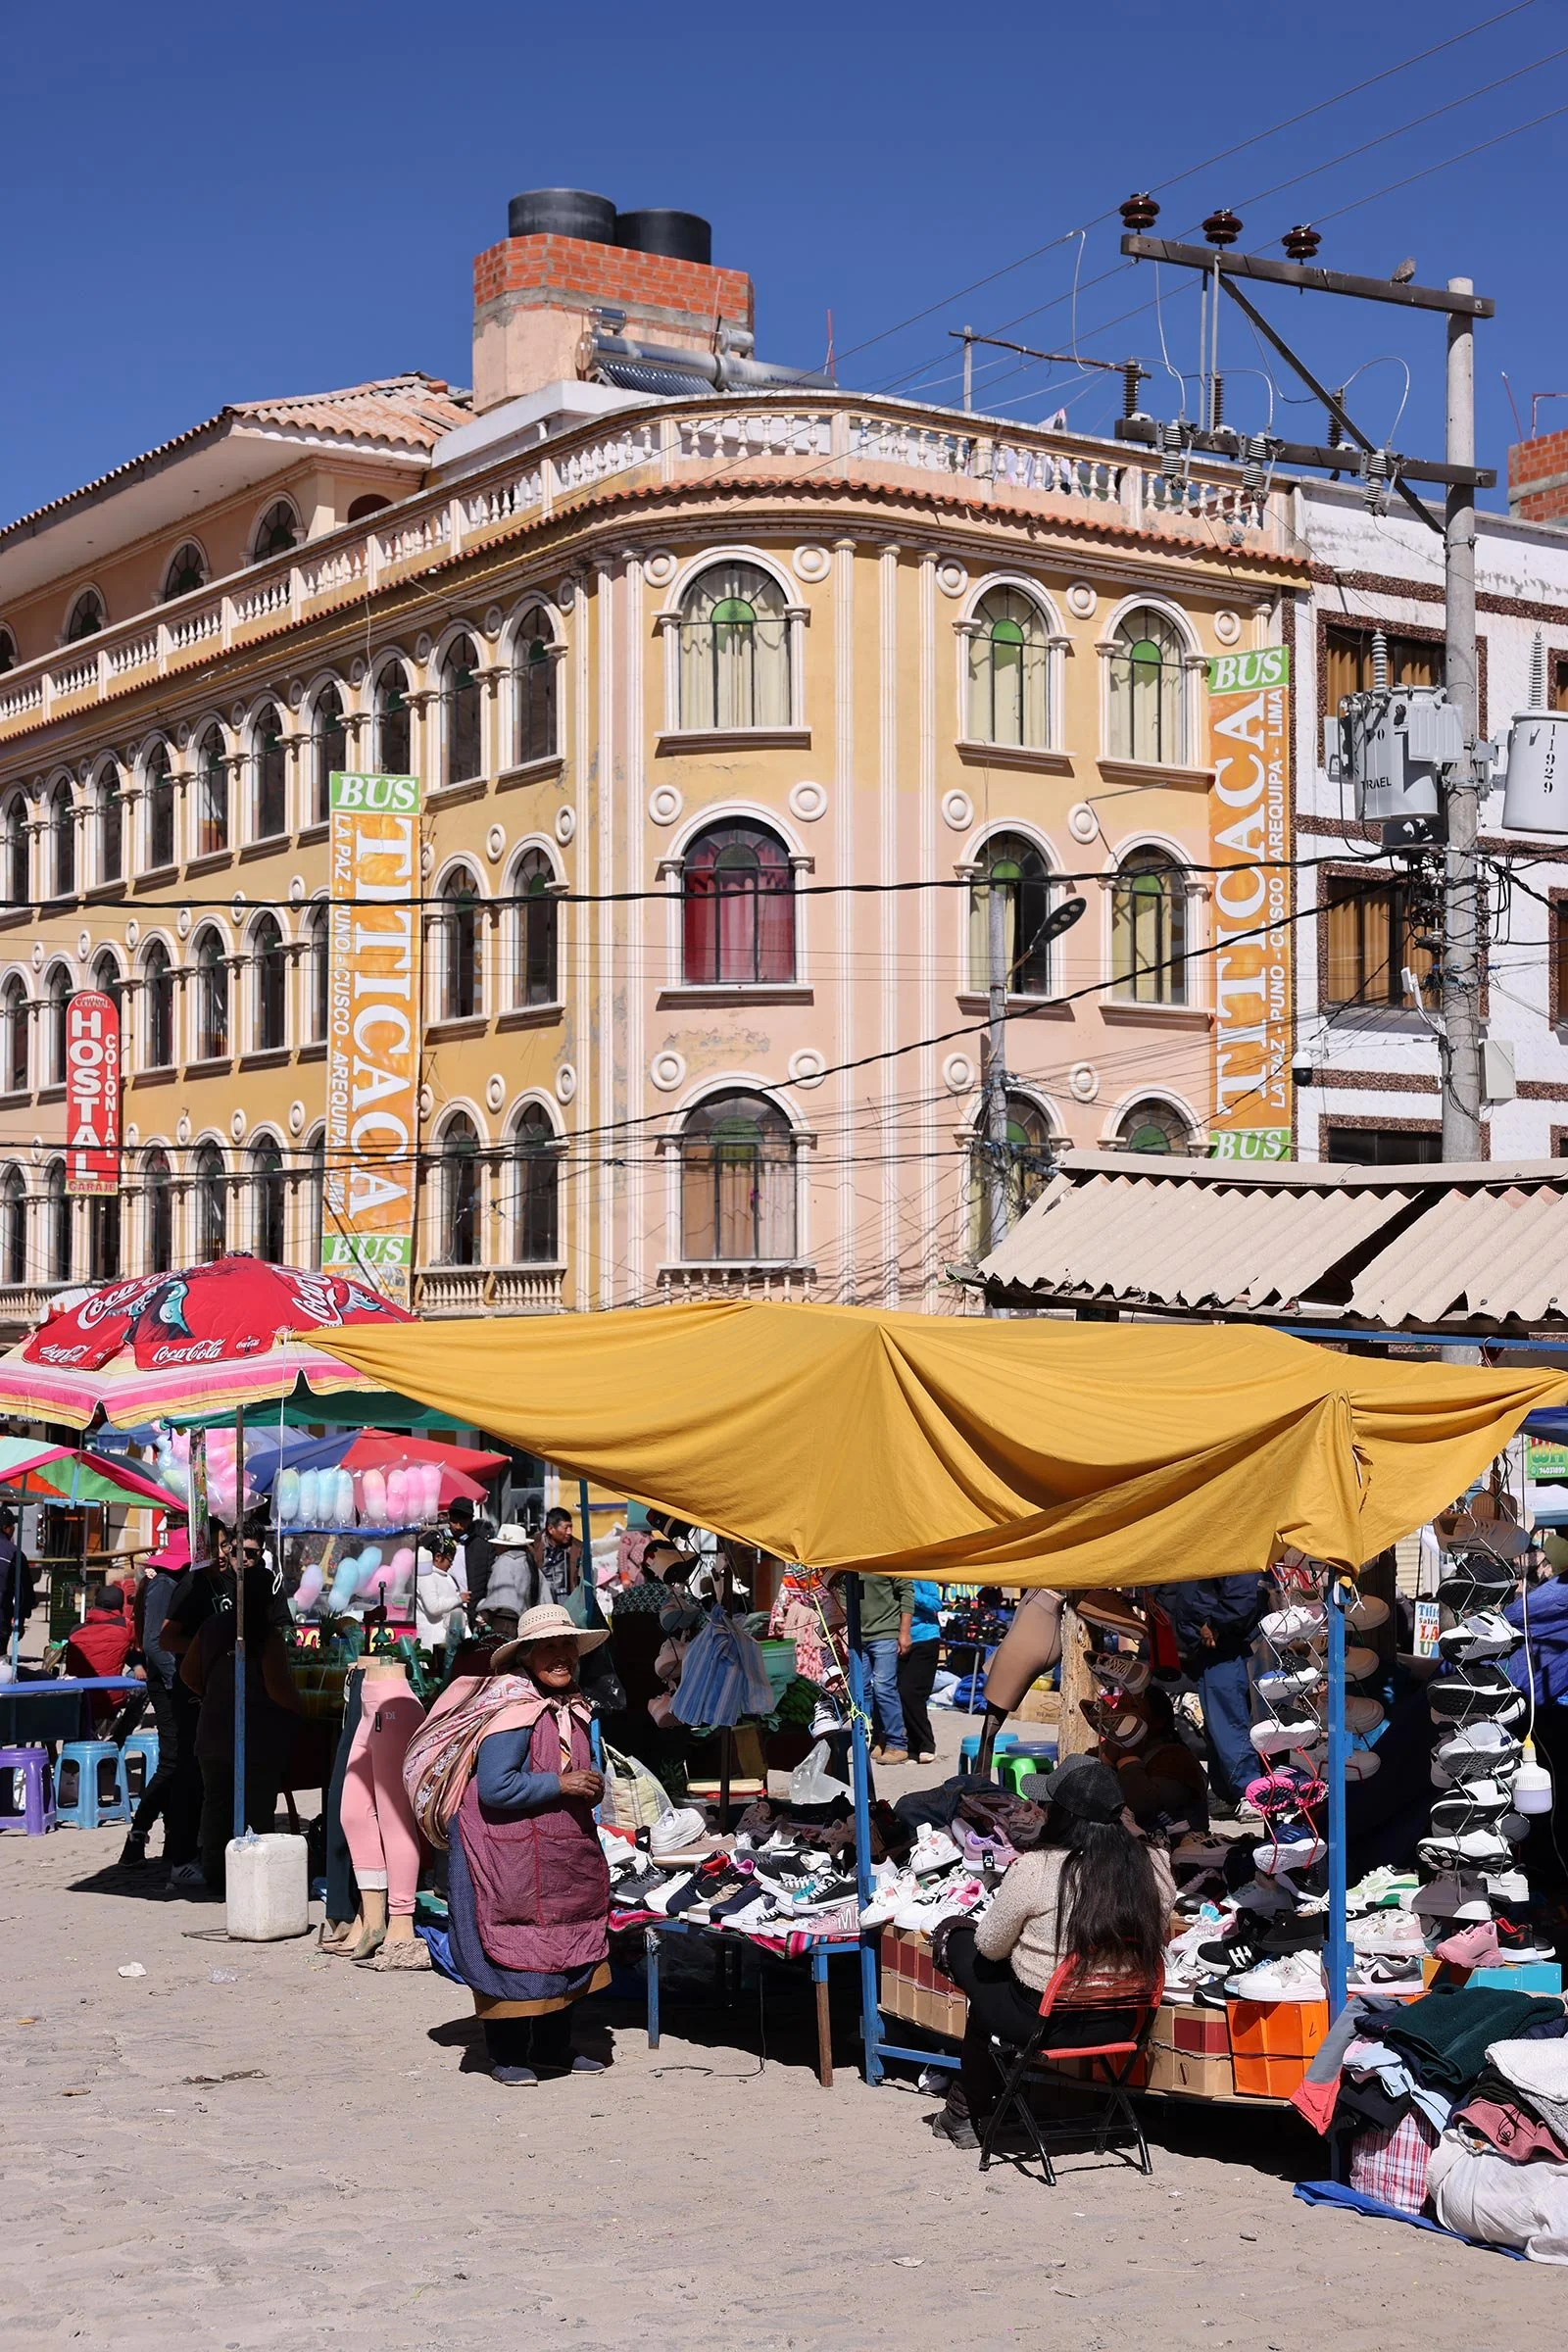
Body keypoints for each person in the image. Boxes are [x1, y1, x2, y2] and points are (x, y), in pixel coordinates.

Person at [930, 1756, 1175, 2149]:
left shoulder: (1037, 1868)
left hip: (1046, 2023)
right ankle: (963, 2107)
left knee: (959, 1941)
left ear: (1064, 1815)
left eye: (1047, 1805)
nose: (1040, 1811)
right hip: (1124, 2021)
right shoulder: (1156, 1865)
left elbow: (990, 1948)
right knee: (991, 1989)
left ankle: (964, 2108)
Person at [437, 1601, 612, 2084]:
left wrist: (583, 1783)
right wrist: (563, 1785)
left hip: (555, 1851)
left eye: (567, 1647)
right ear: (526, 1656)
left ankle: (555, 2047)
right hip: (503, 1854)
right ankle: (508, 2054)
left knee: (561, 1943)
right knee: (510, 1947)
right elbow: (497, 1787)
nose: (561, 1657)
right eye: (548, 1648)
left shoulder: (570, 1706)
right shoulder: (513, 1709)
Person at [181, 1563, 301, 1898]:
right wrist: (300, 1707)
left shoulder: (210, 1627)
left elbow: (188, 1673)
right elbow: (279, 1689)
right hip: (256, 1738)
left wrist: (215, 1693)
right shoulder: (267, 1638)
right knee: (256, 1809)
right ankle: (249, 1880)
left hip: (214, 1733)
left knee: (217, 1806)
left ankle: (217, 1876)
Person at [1162, 1574, 1267, 1813]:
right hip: (1209, 1647)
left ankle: (1249, 1791)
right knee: (1218, 1724)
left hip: (1226, 1645)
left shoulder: (1232, 1548)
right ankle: (1227, 1792)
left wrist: (1217, 1624)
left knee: (1229, 1722)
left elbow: (1242, 1591)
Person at [121, 1534, 194, 1868]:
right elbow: (153, 1643)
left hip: (176, 1682)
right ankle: (139, 1832)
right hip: (168, 1686)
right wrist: (179, 1679)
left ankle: (175, 1838)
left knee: (184, 1762)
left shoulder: (174, 1581)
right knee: (172, 1762)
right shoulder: (165, 1583)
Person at [65, 1582, 136, 1728]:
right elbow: (142, 1647)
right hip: (110, 1700)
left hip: (79, 1698)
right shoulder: (125, 1627)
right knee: (142, 1676)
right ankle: (122, 1734)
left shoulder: (75, 1630)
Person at [855, 1573, 908, 1764]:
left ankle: (898, 1744)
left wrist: (904, 1633)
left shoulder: (885, 1559)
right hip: (857, 1636)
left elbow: (906, 1592)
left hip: (885, 1633)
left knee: (883, 1687)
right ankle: (874, 1739)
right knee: (861, 1690)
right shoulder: (848, 1559)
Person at [897, 1579, 943, 1765]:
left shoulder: (920, 1577)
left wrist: (911, 1595)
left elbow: (936, 1604)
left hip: (925, 1637)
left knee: (912, 1692)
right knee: (899, 1693)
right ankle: (913, 1748)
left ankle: (926, 1744)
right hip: (897, 1639)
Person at [475, 1523, 544, 1641]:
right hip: (529, 1625)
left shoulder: (504, 1563)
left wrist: (483, 1614)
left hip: (505, 1626)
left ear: (505, 1546)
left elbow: (498, 1599)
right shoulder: (530, 1564)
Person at [416, 1531, 468, 1654]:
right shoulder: (425, 1575)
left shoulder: (443, 1576)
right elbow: (433, 1607)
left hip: (446, 1639)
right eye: (449, 1559)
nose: (451, 1564)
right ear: (438, 1557)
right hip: (433, 1643)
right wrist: (459, 1599)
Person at [446, 1495, 496, 1617]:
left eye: (462, 1520)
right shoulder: (438, 1544)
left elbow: (491, 1580)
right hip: (446, 1608)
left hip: (474, 1611)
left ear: (470, 1520)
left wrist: (486, 1610)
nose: (458, 1525)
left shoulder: (483, 1547)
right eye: (454, 1519)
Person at [0, 1508, 36, 1664]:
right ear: (6, 1528)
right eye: (12, 1525)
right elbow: (24, 1593)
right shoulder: (14, 1554)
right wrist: (20, 1621)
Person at [531, 1507, 583, 1603]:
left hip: (568, 1601)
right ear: (551, 1529)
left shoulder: (577, 1548)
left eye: (571, 1527)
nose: (569, 1532)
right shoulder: (533, 1546)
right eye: (566, 1528)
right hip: (541, 1600)